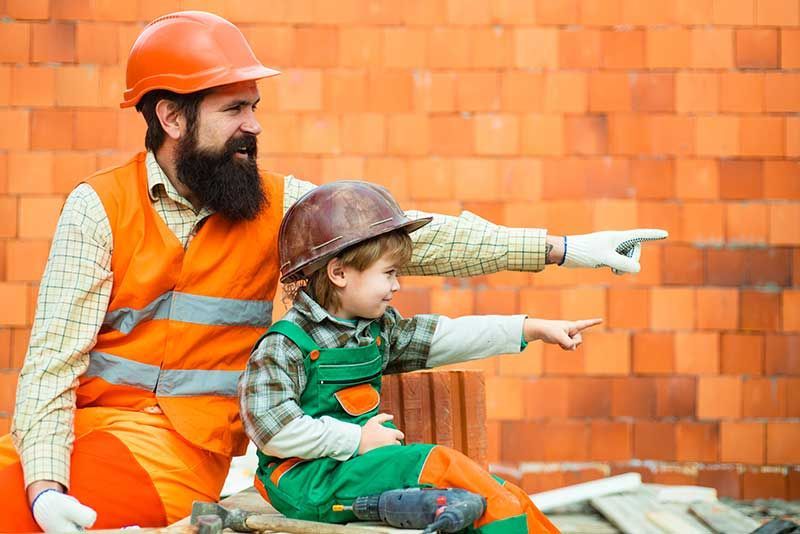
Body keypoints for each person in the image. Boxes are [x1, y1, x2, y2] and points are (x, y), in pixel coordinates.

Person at [0, 10, 666, 533]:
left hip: (173, 459)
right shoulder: (97, 209)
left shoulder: (276, 205)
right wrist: (45, 486)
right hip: (83, 439)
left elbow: (410, 235)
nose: (254, 126)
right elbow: (51, 368)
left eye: (255, 107)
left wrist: (563, 248)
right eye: (234, 110)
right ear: (171, 116)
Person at [241, 181, 603, 533]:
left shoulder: (375, 330)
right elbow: (273, 430)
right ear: (339, 273)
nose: (396, 285)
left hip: (356, 467)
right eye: (389, 273)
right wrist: (356, 440)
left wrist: (531, 328)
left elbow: (444, 337)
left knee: (503, 496)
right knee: (443, 467)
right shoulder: (285, 344)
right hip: (308, 480)